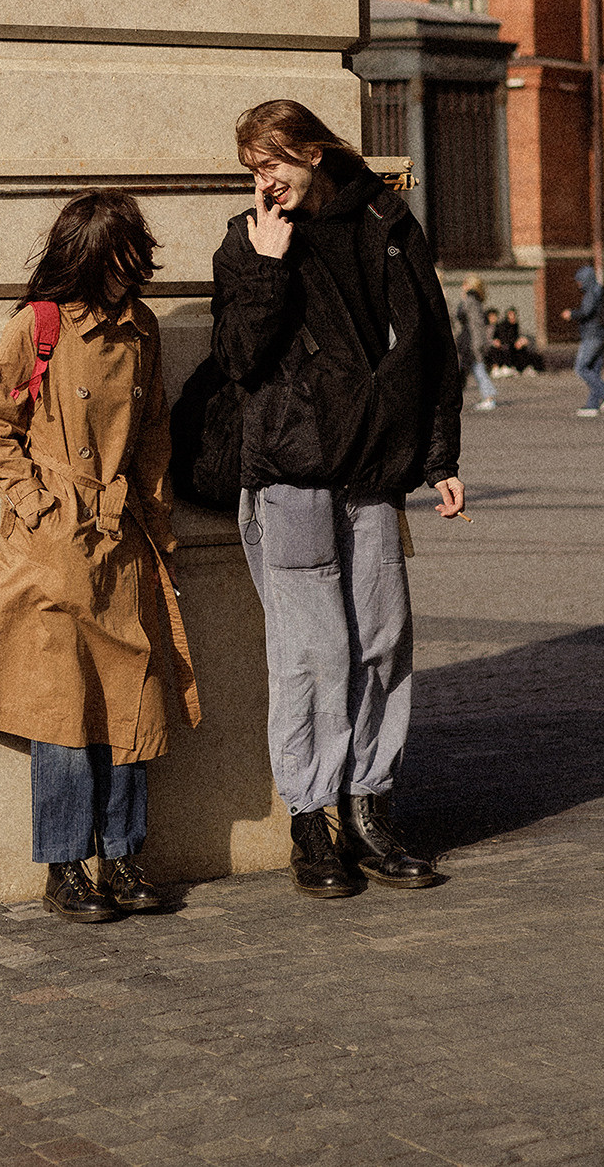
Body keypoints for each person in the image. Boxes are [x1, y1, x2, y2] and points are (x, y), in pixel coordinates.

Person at [211, 100, 464, 899]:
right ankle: (312, 822)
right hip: (291, 474)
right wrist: (264, 265)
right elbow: (241, 362)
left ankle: (370, 808)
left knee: (384, 641)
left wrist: (440, 456)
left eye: (274, 161)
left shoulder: (388, 221)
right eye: (254, 167)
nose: (265, 179)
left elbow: (430, 341)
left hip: (374, 473)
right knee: (310, 655)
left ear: (315, 152)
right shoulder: (246, 240)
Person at [0, 191, 200, 922]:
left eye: (133, 260)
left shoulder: (143, 329)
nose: (128, 274)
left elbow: (153, 439)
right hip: (54, 549)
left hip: (121, 545)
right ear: (86, 257)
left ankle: (122, 856)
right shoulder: (40, 325)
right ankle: (65, 868)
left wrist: (161, 534)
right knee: (62, 709)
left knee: (130, 703)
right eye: (116, 261)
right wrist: (39, 506)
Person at [562, 265, 604, 417]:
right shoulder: (600, 291)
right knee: (594, 370)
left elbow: (586, 311)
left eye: (580, 280)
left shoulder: (591, 293)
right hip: (601, 335)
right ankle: (592, 405)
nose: (578, 283)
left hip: (592, 336)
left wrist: (571, 314)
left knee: (581, 368)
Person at [454, 278, 497, 411]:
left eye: (465, 283)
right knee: (477, 368)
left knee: (478, 368)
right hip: (474, 340)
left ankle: (489, 397)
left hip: (472, 341)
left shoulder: (469, 301)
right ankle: (489, 395)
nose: (462, 286)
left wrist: (477, 344)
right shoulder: (476, 301)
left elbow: (467, 320)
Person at [495, 307, 544, 375]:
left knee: (526, 350)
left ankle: (525, 367)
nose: (512, 317)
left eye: (514, 315)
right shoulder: (503, 325)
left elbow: (516, 336)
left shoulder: (515, 325)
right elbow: (503, 338)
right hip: (507, 345)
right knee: (516, 350)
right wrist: (515, 342)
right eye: (510, 315)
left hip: (513, 344)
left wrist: (521, 341)